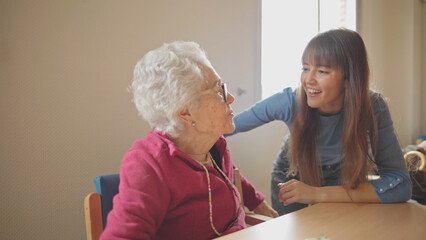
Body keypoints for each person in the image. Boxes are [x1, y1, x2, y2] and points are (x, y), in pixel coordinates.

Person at [100, 41, 278, 240]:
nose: (231, 99)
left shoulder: (212, 145)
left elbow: (229, 176)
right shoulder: (148, 165)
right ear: (186, 112)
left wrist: (257, 202)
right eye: (219, 91)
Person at [228, 28, 412, 215]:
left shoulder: (373, 106)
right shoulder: (289, 101)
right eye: (305, 68)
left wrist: (316, 194)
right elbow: (224, 126)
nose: (308, 80)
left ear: (349, 78)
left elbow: (401, 183)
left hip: (342, 175)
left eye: (322, 71)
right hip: (292, 175)